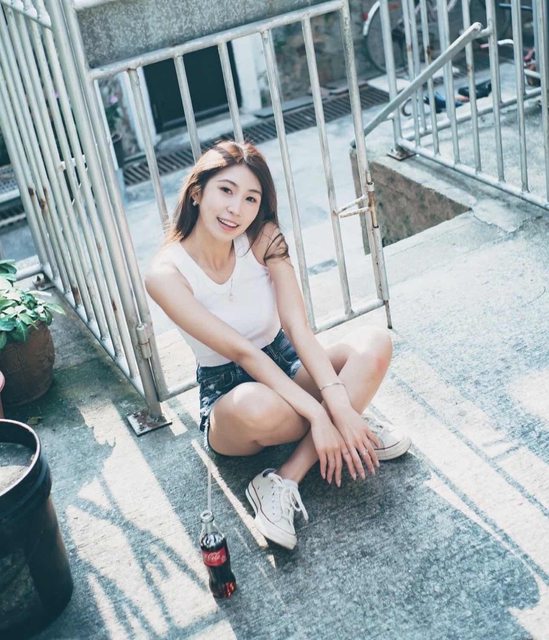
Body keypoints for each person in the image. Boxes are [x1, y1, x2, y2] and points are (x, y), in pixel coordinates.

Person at [146, 140, 411, 550]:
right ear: (197, 192)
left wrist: (336, 404)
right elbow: (243, 353)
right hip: (230, 393)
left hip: (286, 362)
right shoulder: (166, 274)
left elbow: (297, 328)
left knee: (374, 342)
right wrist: (322, 412)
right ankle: (345, 426)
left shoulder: (263, 238)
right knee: (258, 404)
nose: (236, 209)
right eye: (226, 191)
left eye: (251, 198)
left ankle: (289, 474)